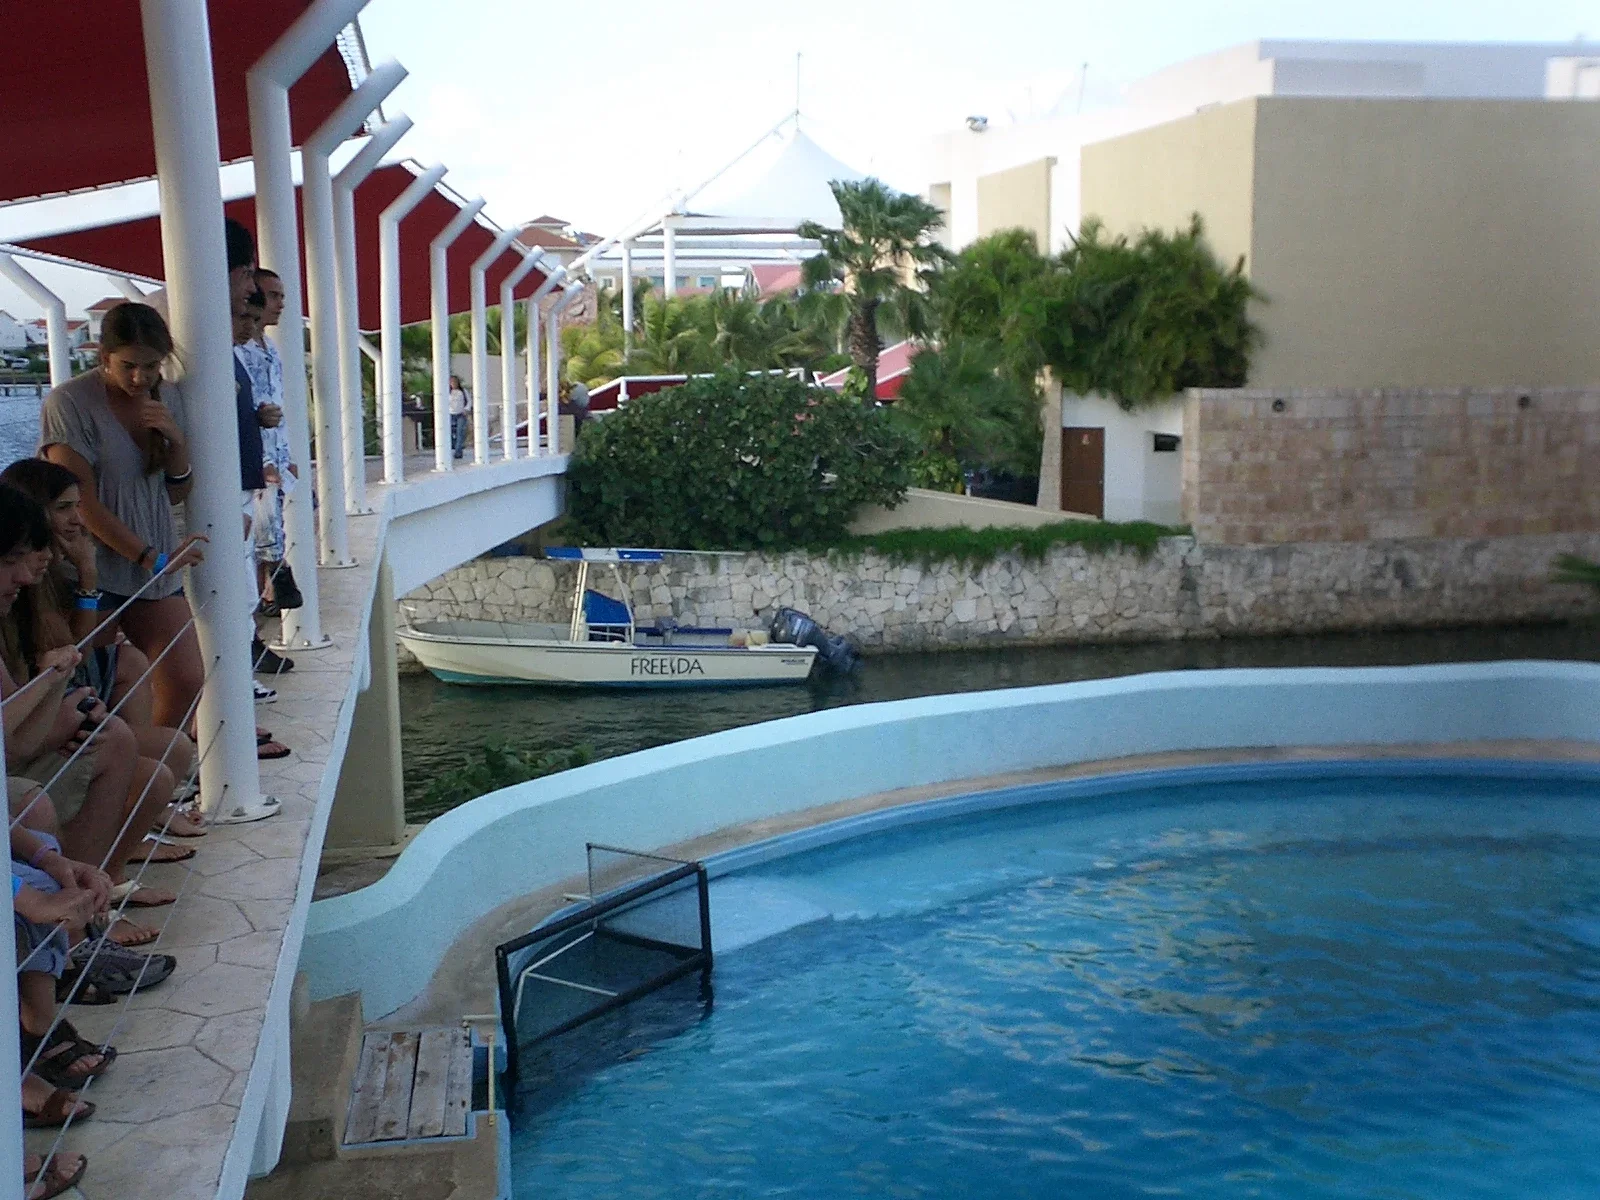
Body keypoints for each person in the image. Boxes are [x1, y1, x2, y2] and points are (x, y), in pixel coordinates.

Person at [0, 458, 203, 840]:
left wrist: (88, 576)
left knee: (134, 677)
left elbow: (72, 652)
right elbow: (71, 650)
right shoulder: (33, 577)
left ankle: (134, 823)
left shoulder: (49, 570)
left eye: (78, 506)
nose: (78, 519)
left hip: (43, 709)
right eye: (63, 508)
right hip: (31, 730)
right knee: (133, 735)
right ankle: (115, 856)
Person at [38, 302, 207, 731]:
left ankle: (161, 783)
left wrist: (176, 441)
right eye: (128, 365)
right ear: (103, 356)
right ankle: (122, 782)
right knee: (90, 688)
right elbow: (79, 502)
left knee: (186, 677)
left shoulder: (168, 397)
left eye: (152, 366)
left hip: (153, 565)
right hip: (88, 566)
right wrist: (151, 557)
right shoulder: (70, 402)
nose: (140, 378)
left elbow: (176, 491)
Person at [237, 267, 302, 617]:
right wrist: (263, 460)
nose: (280, 304)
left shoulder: (269, 346)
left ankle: (273, 585)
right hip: (255, 461)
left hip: (274, 456)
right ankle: (275, 582)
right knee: (256, 533)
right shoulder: (240, 347)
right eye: (274, 295)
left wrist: (286, 453)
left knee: (270, 525)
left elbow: (277, 402)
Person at [448, 374, 470, 459]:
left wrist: (466, 409)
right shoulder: (448, 392)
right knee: (450, 433)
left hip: (460, 414)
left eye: (454, 382)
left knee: (460, 433)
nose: (453, 383)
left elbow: (469, 401)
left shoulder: (463, 391)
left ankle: (458, 452)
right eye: (451, 382)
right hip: (450, 414)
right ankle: (454, 446)